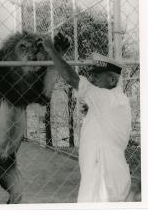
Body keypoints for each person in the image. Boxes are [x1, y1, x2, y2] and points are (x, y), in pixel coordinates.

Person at [42, 34, 132, 202]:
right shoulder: (113, 100)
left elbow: (71, 78)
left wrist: (51, 50)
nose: (92, 78)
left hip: (104, 177)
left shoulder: (108, 98)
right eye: (92, 74)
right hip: (101, 172)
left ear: (113, 79)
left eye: (98, 74)